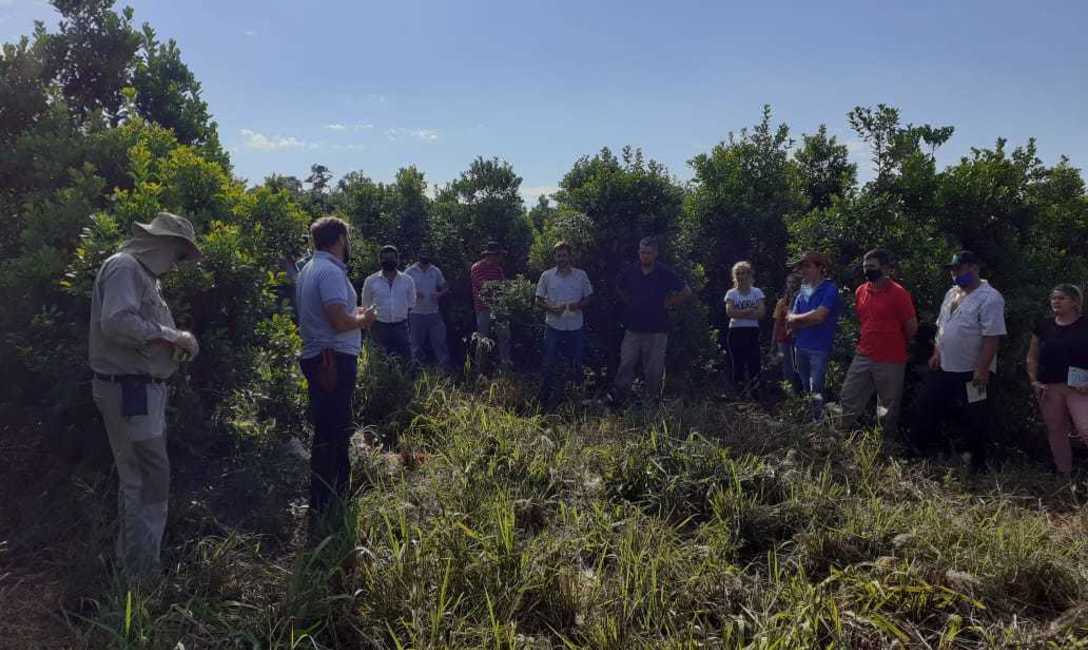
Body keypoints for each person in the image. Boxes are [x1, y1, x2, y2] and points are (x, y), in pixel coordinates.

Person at [89, 211, 202, 579]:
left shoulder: (144, 277)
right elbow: (117, 320)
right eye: (180, 253)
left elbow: (136, 327)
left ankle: (138, 568)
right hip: (130, 393)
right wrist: (174, 337)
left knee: (147, 478)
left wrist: (172, 345)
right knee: (144, 479)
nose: (178, 262)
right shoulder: (124, 267)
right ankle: (139, 578)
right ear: (165, 242)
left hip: (140, 393)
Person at [296, 217, 376, 519]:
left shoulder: (309, 269)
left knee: (326, 427)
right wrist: (363, 320)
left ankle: (323, 497)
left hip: (320, 356)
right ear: (340, 238)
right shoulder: (329, 271)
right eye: (348, 236)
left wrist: (352, 313)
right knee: (335, 429)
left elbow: (333, 313)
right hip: (333, 360)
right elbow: (338, 321)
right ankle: (334, 499)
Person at [911, 250, 1006, 471]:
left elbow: (992, 337)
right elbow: (941, 328)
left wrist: (981, 370)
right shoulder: (951, 294)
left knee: (975, 415)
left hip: (973, 370)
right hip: (945, 366)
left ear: (974, 268)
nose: (954, 274)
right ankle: (923, 454)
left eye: (958, 269)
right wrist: (936, 352)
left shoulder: (990, 297)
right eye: (952, 270)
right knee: (927, 406)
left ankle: (977, 464)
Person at [838, 249, 918, 437]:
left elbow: (911, 326)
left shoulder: (899, 293)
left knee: (888, 407)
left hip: (891, 358)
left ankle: (883, 446)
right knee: (849, 396)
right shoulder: (861, 291)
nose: (867, 271)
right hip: (864, 354)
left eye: (872, 267)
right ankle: (840, 436)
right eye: (865, 267)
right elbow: (864, 320)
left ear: (885, 268)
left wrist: (895, 342)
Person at [610, 236, 692, 404]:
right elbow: (618, 286)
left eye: (648, 253)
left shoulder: (665, 272)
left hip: (657, 328)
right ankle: (620, 398)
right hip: (633, 327)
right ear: (638, 252)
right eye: (642, 252)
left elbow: (686, 291)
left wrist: (669, 302)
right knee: (626, 363)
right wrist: (630, 302)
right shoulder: (631, 271)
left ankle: (651, 401)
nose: (645, 256)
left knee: (654, 369)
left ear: (655, 253)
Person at [1026, 284, 1088, 477]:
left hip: (1080, 387)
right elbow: (1032, 356)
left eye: (1061, 298)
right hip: (1049, 386)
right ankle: (1064, 473)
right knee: (1056, 430)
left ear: (1075, 302)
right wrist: (1033, 381)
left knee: (1085, 428)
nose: (1056, 301)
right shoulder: (1043, 326)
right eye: (1053, 298)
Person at [534, 241, 594, 408]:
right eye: (559, 255)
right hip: (553, 325)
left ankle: (576, 398)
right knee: (549, 361)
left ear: (570, 256)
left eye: (564, 255)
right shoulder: (547, 276)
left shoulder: (581, 275)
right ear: (555, 257)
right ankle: (544, 397)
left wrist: (579, 305)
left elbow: (589, 297)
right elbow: (538, 299)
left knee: (576, 361)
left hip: (575, 326)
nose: (562, 258)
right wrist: (552, 308)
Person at [786, 251, 842, 419]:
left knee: (816, 387)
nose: (804, 270)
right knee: (805, 386)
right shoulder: (803, 290)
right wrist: (806, 319)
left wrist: (799, 320)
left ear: (820, 268)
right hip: (800, 345)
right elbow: (790, 319)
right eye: (802, 266)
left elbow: (820, 316)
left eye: (808, 266)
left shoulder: (830, 289)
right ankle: (810, 418)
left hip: (819, 347)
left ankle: (818, 423)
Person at [362, 245, 416, 362]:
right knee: (380, 362)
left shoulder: (408, 280)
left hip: (401, 327)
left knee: (406, 361)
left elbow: (411, 303)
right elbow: (366, 305)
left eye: (391, 258)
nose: (388, 261)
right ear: (380, 260)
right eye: (385, 258)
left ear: (397, 260)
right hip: (379, 327)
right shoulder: (370, 280)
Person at [724, 261, 765, 397]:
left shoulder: (757, 292)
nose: (741, 276)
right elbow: (730, 313)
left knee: (754, 362)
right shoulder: (731, 293)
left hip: (752, 331)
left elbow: (761, 313)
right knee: (738, 363)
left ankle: (756, 394)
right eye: (738, 273)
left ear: (749, 274)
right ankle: (739, 394)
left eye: (743, 273)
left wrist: (740, 312)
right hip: (736, 331)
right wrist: (749, 311)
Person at [405, 249, 451, 369]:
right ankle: (415, 372)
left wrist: (439, 294)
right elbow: (401, 288)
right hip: (416, 314)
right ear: (418, 257)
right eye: (422, 255)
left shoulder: (435, 271)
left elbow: (445, 286)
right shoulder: (410, 271)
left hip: (434, 313)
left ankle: (445, 372)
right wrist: (413, 293)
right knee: (415, 346)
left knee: (440, 343)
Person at [470, 240, 512, 367]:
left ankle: (505, 366)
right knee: (483, 340)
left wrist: (505, 287)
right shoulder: (476, 268)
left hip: (498, 307)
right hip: (483, 308)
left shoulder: (498, 269)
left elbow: (504, 286)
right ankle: (480, 370)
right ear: (491, 255)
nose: (500, 258)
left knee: (505, 335)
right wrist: (499, 286)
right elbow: (483, 286)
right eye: (498, 255)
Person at [772, 273, 804, 394]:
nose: (792, 285)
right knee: (787, 369)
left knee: (800, 367)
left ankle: (803, 394)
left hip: (798, 338)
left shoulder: (803, 300)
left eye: (794, 282)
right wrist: (773, 343)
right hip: (783, 338)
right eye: (789, 282)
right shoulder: (781, 302)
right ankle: (791, 397)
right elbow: (776, 323)